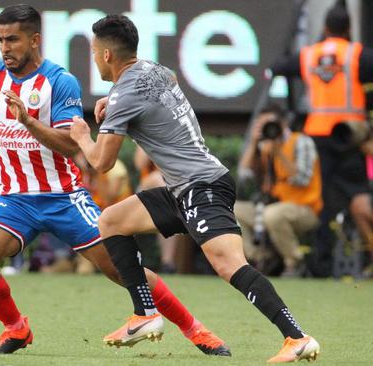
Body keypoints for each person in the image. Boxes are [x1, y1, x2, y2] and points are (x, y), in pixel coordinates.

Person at [0, 4, 229, 356]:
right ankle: (16, 329)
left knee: (124, 270)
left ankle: (196, 330)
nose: (4, 48)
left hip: (64, 197)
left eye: (12, 39)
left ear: (34, 40)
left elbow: (69, 144)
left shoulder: (59, 82)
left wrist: (28, 121)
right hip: (14, 198)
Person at [70, 14, 319, 363]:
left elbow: (101, 162)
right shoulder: (152, 69)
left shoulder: (125, 93)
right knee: (111, 222)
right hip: (183, 188)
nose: (94, 58)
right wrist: (113, 102)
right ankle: (145, 314)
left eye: (94, 52)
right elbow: (162, 85)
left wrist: (83, 136)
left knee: (230, 265)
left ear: (107, 55)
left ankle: (297, 337)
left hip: (202, 187)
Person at [271, 5, 373, 275]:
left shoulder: (310, 54)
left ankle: (321, 264)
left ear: (325, 28)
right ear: (349, 28)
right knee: (361, 196)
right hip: (350, 137)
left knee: (323, 201)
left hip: (319, 136)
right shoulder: (356, 54)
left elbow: (278, 67)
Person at [235, 105, 322, 276]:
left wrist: (279, 152)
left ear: (283, 123)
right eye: (263, 124)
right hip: (270, 207)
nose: (268, 129)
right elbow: (244, 176)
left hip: (305, 208)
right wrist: (253, 143)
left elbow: (301, 179)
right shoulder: (263, 146)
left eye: (270, 124)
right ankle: (258, 258)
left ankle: (294, 262)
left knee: (273, 214)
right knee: (232, 209)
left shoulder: (301, 141)